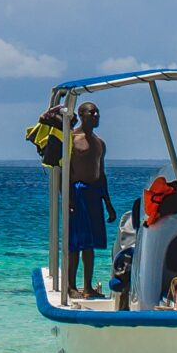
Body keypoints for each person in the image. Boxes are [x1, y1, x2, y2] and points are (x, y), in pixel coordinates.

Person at [64, 102, 113, 298]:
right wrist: (67, 199)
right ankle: (71, 286)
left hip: (94, 193)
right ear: (81, 115)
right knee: (76, 242)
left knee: (90, 244)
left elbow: (101, 174)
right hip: (78, 193)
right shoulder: (72, 140)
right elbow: (64, 173)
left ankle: (88, 287)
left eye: (97, 112)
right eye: (92, 112)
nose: (96, 115)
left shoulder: (100, 143)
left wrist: (107, 202)